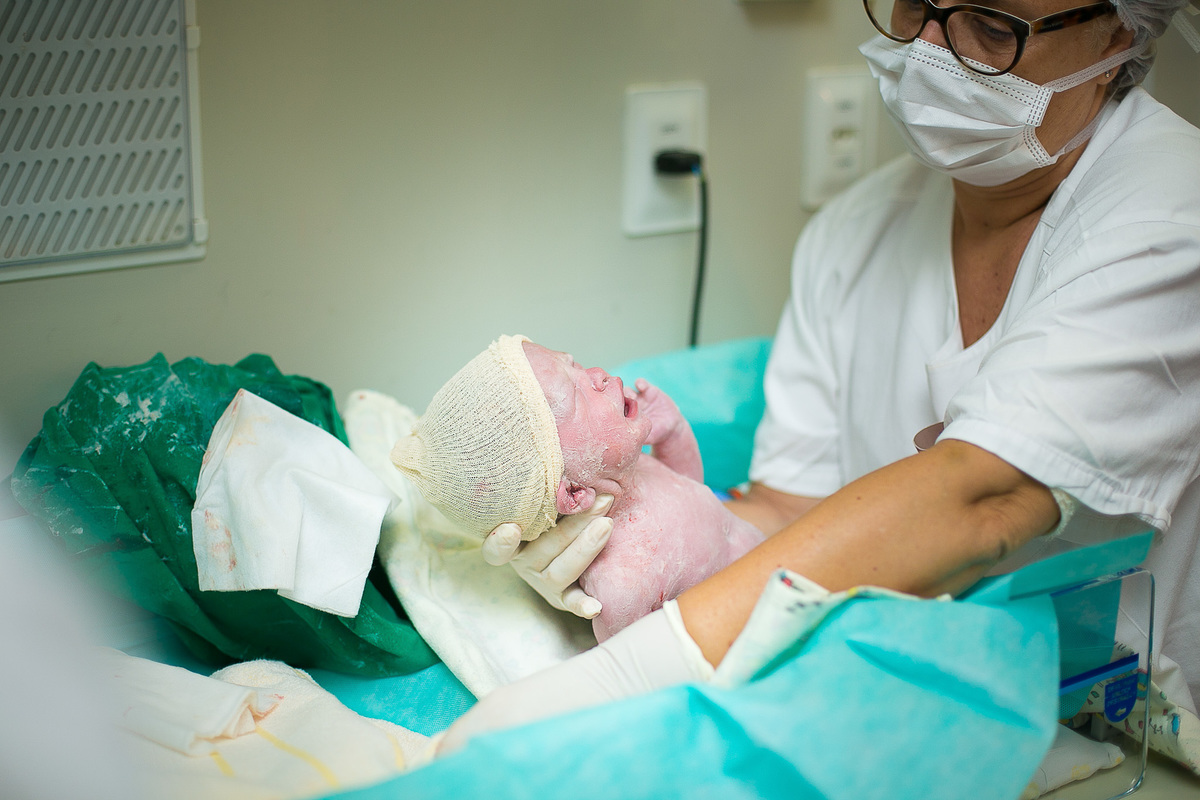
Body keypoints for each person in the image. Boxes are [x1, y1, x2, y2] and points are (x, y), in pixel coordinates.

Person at [440, 0, 1200, 757]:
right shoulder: (854, 234)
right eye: (912, 5)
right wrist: (631, 543)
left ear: (1122, 29)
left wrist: (626, 674)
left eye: (992, 26)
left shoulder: (1172, 206)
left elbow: (987, 495)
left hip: (1133, 737)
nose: (931, 50)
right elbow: (783, 510)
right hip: (929, 719)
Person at [390, 335, 764, 642]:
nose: (599, 375)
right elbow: (638, 669)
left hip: (774, 554)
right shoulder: (623, 580)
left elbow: (691, 491)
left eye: (578, 366)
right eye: (577, 393)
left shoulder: (633, 467)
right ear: (571, 493)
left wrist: (676, 435)